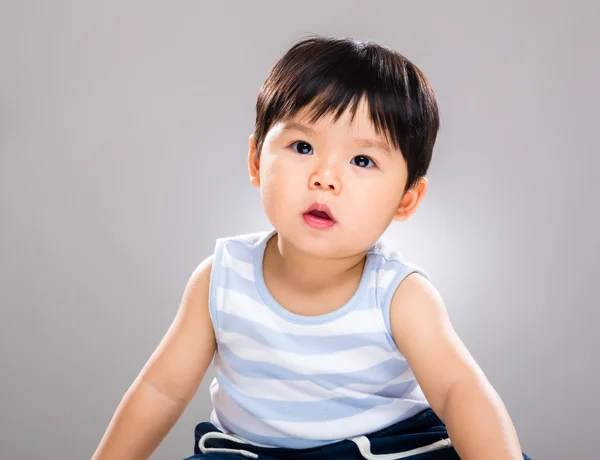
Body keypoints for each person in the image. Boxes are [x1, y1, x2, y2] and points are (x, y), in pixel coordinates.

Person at [92, 35, 531, 460]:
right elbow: (160, 390)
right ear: (256, 161)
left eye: (362, 160)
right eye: (302, 146)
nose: (324, 177)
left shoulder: (399, 295)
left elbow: (460, 393)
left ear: (406, 199)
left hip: (381, 451)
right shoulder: (221, 278)